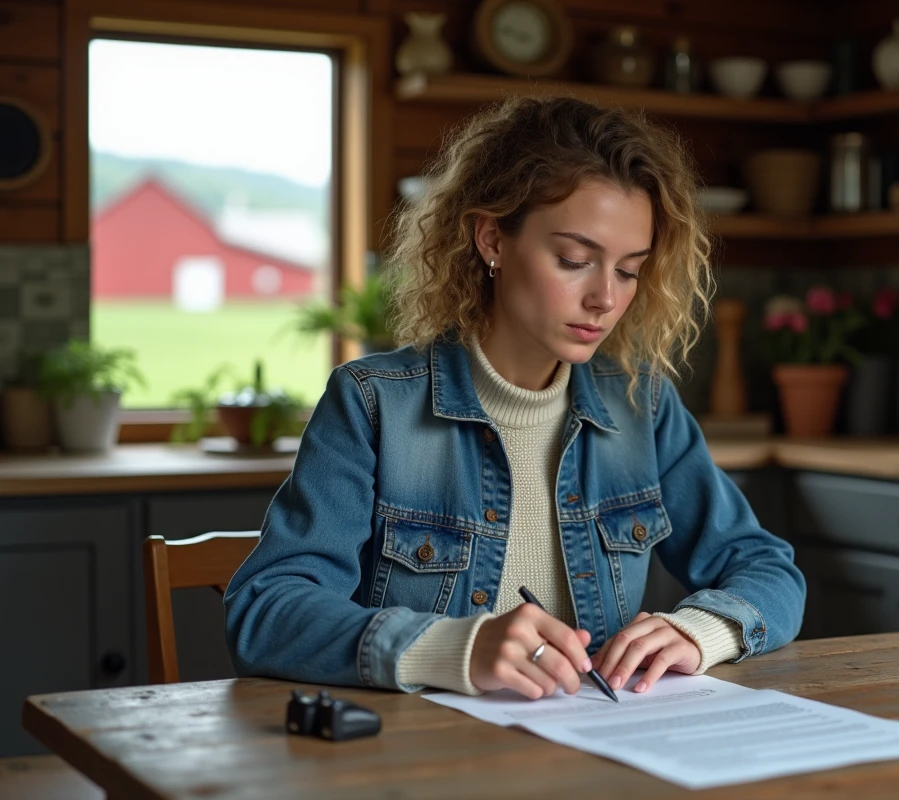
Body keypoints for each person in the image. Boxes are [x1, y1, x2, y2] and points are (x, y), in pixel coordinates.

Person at [224, 96, 806, 700]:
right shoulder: (373, 405)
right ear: (491, 240)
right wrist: (456, 648)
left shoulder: (644, 406)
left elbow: (769, 571)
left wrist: (701, 630)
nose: (605, 298)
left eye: (629, 270)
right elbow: (265, 611)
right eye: (574, 260)